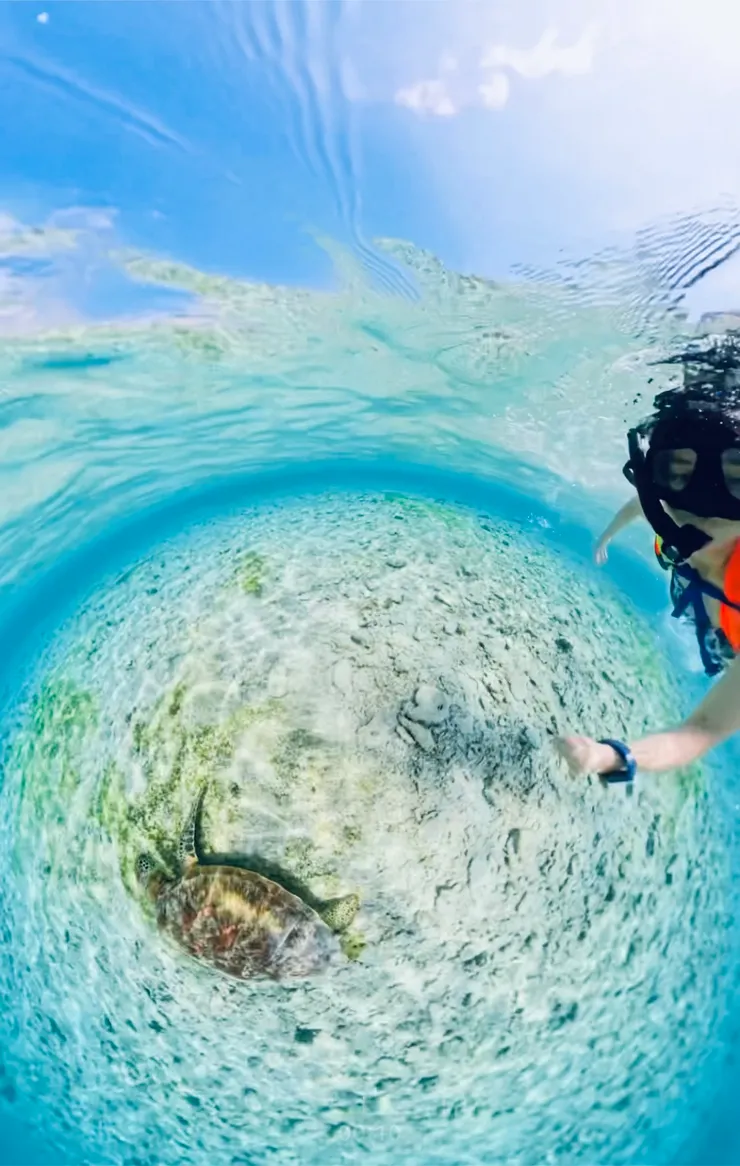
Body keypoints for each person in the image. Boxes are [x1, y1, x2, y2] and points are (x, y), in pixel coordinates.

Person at [556, 333, 740, 782]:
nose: (703, 504)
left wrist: (612, 757)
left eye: (737, 479)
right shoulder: (666, 511)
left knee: (719, 657)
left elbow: (703, 728)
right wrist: (606, 537)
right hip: (696, 593)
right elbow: (640, 506)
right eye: (677, 473)